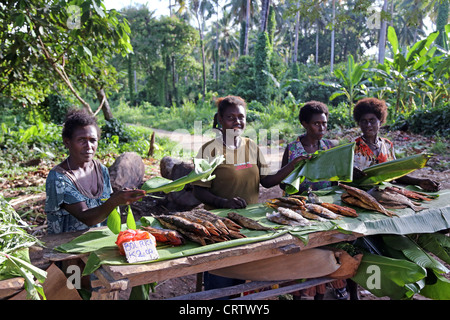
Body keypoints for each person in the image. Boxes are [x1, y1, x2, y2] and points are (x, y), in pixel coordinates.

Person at [193, 96, 309, 297]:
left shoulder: (252, 146)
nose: (237, 122)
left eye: (241, 117)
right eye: (231, 117)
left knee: (241, 278)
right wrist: (224, 203)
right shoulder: (208, 150)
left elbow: (267, 181)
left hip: (248, 225)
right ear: (220, 119)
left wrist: (293, 165)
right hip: (219, 227)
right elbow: (198, 190)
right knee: (220, 282)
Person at [280, 101, 348, 300]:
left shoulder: (329, 147)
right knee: (303, 251)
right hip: (298, 208)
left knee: (327, 248)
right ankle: (301, 290)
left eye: (324, 124)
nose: (322, 128)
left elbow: (336, 179)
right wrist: (297, 170)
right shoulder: (293, 149)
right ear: (304, 124)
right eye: (316, 124)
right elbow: (283, 184)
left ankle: (324, 288)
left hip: (324, 208)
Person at [45, 109, 146, 234]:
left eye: (92, 140)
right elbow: (86, 217)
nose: (88, 146)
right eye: (81, 140)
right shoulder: (59, 178)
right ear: (67, 142)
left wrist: (121, 197)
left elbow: (105, 207)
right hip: (66, 246)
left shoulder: (101, 169)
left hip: (98, 240)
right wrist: (115, 200)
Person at [353, 97, 440, 192]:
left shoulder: (387, 145)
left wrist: (419, 182)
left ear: (380, 122)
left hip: (385, 192)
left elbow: (395, 174)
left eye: (372, 120)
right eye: (364, 121)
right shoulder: (353, 147)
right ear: (359, 123)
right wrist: (351, 173)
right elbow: (342, 176)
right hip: (361, 193)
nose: (368, 124)